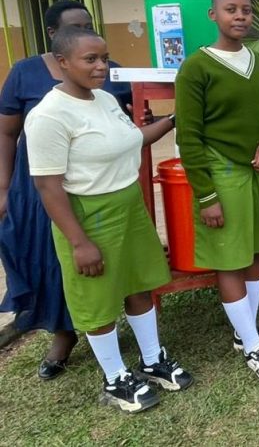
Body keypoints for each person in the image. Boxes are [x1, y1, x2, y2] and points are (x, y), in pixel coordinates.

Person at [25, 27, 192, 413]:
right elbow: (48, 186)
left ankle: (152, 359)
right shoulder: (49, 115)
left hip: (128, 206)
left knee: (139, 285)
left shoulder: (103, 99)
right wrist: (79, 242)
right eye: (90, 59)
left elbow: (133, 139)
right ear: (62, 62)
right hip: (88, 215)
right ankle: (115, 377)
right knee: (97, 301)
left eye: (103, 58)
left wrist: (173, 120)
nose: (101, 66)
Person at [0, 0, 135, 380]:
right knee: (51, 259)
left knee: (103, 260)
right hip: (42, 185)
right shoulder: (25, 73)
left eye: (88, 25)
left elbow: (129, 120)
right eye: (75, 27)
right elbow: (7, 132)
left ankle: (108, 325)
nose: (84, 33)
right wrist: (3, 186)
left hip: (98, 186)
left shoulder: (108, 71)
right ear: (53, 35)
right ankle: (63, 334)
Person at [175, 0, 259, 383]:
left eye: (245, 10)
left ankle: (247, 332)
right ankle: (253, 346)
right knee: (230, 258)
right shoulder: (196, 67)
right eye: (230, 10)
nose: (240, 16)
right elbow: (188, 137)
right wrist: (206, 196)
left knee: (257, 251)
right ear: (213, 15)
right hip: (221, 173)